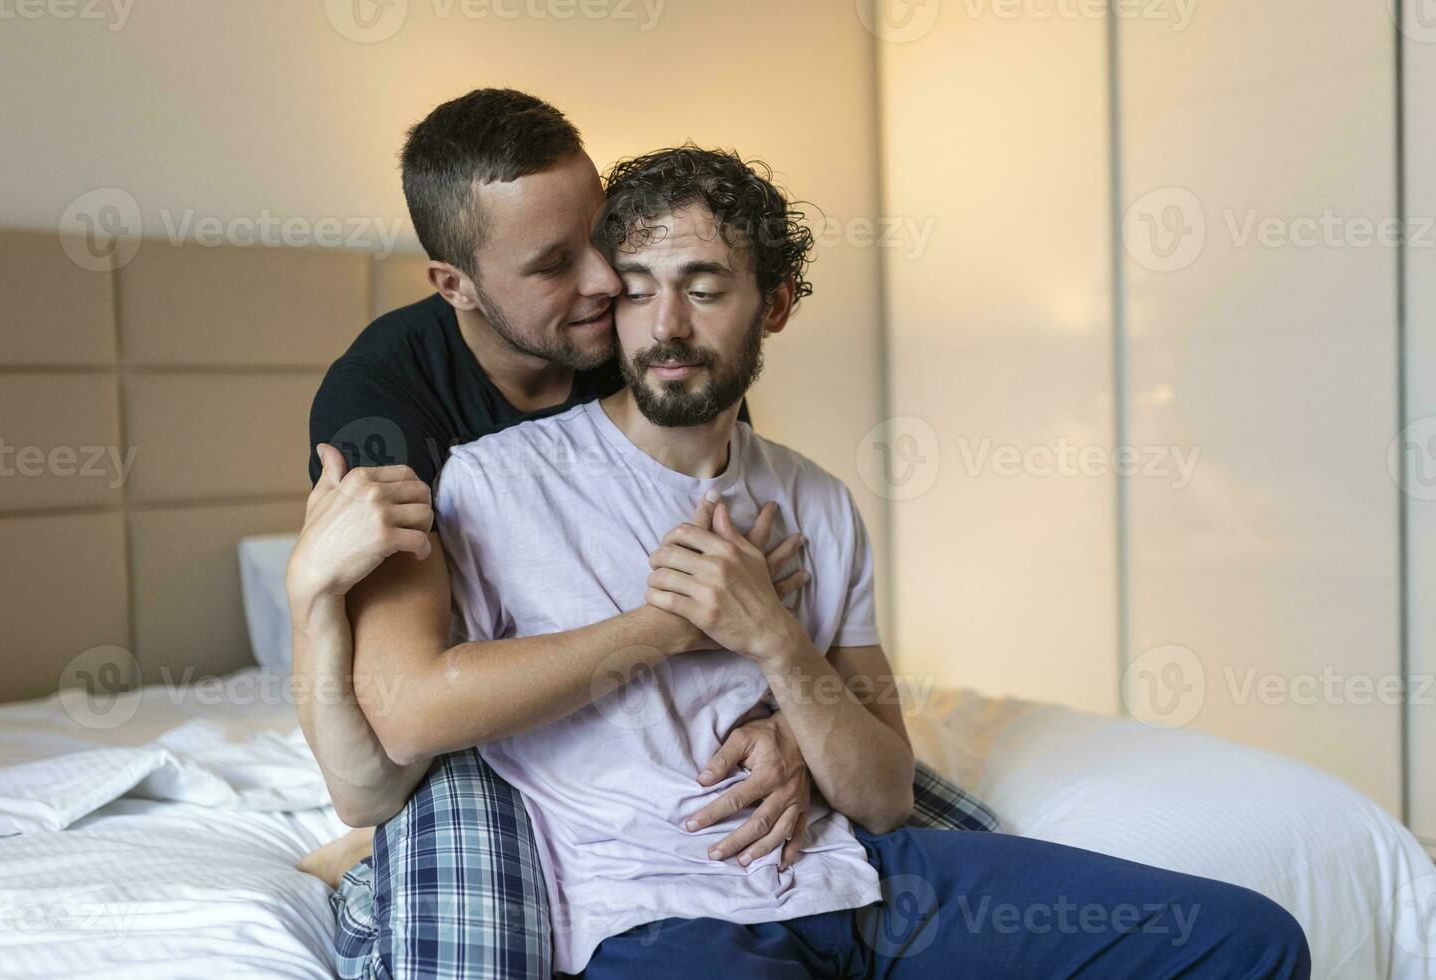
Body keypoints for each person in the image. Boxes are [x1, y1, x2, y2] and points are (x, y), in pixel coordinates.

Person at [414, 144, 1313, 978]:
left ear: (775, 303)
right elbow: (422, 712)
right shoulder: (501, 483)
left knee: (1251, 942)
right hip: (664, 915)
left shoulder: (817, 500)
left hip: (862, 878)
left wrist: (774, 638)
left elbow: (883, 794)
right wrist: (665, 629)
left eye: (705, 287)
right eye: (640, 289)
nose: (667, 326)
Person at [286, 89, 995, 980]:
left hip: (670, 732)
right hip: (483, 740)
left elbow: (741, 597)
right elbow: (406, 716)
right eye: (554, 265)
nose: (606, 282)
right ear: (454, 284)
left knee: (962, 832)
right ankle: (360, 880)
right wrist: (672, 629)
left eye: (601, 238)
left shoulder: (651, 344)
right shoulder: (387, 408)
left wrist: (779, 716)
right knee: (471, 921)